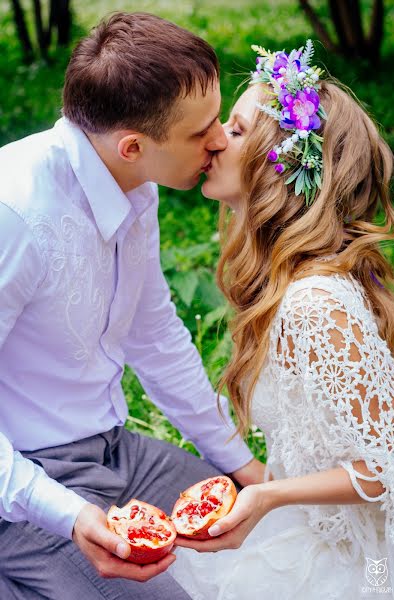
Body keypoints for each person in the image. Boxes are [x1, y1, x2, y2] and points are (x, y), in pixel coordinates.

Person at [0, 12, 265, 600]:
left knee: (267, 534)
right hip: (23, 481)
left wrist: (241, 465)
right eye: (202, 133)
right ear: (133, 145)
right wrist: (65, 513)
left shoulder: (135, 183)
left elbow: (155, 337)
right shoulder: (13, 212)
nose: (221, 139)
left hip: (119, 449)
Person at [169, 40, 394, 599]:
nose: (217, 138)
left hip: (365, 567)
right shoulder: (285, 286)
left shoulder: (313, 302)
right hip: (309, 530)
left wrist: (270, 497)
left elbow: (390, 466)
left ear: (282, 167)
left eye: (239, 130)